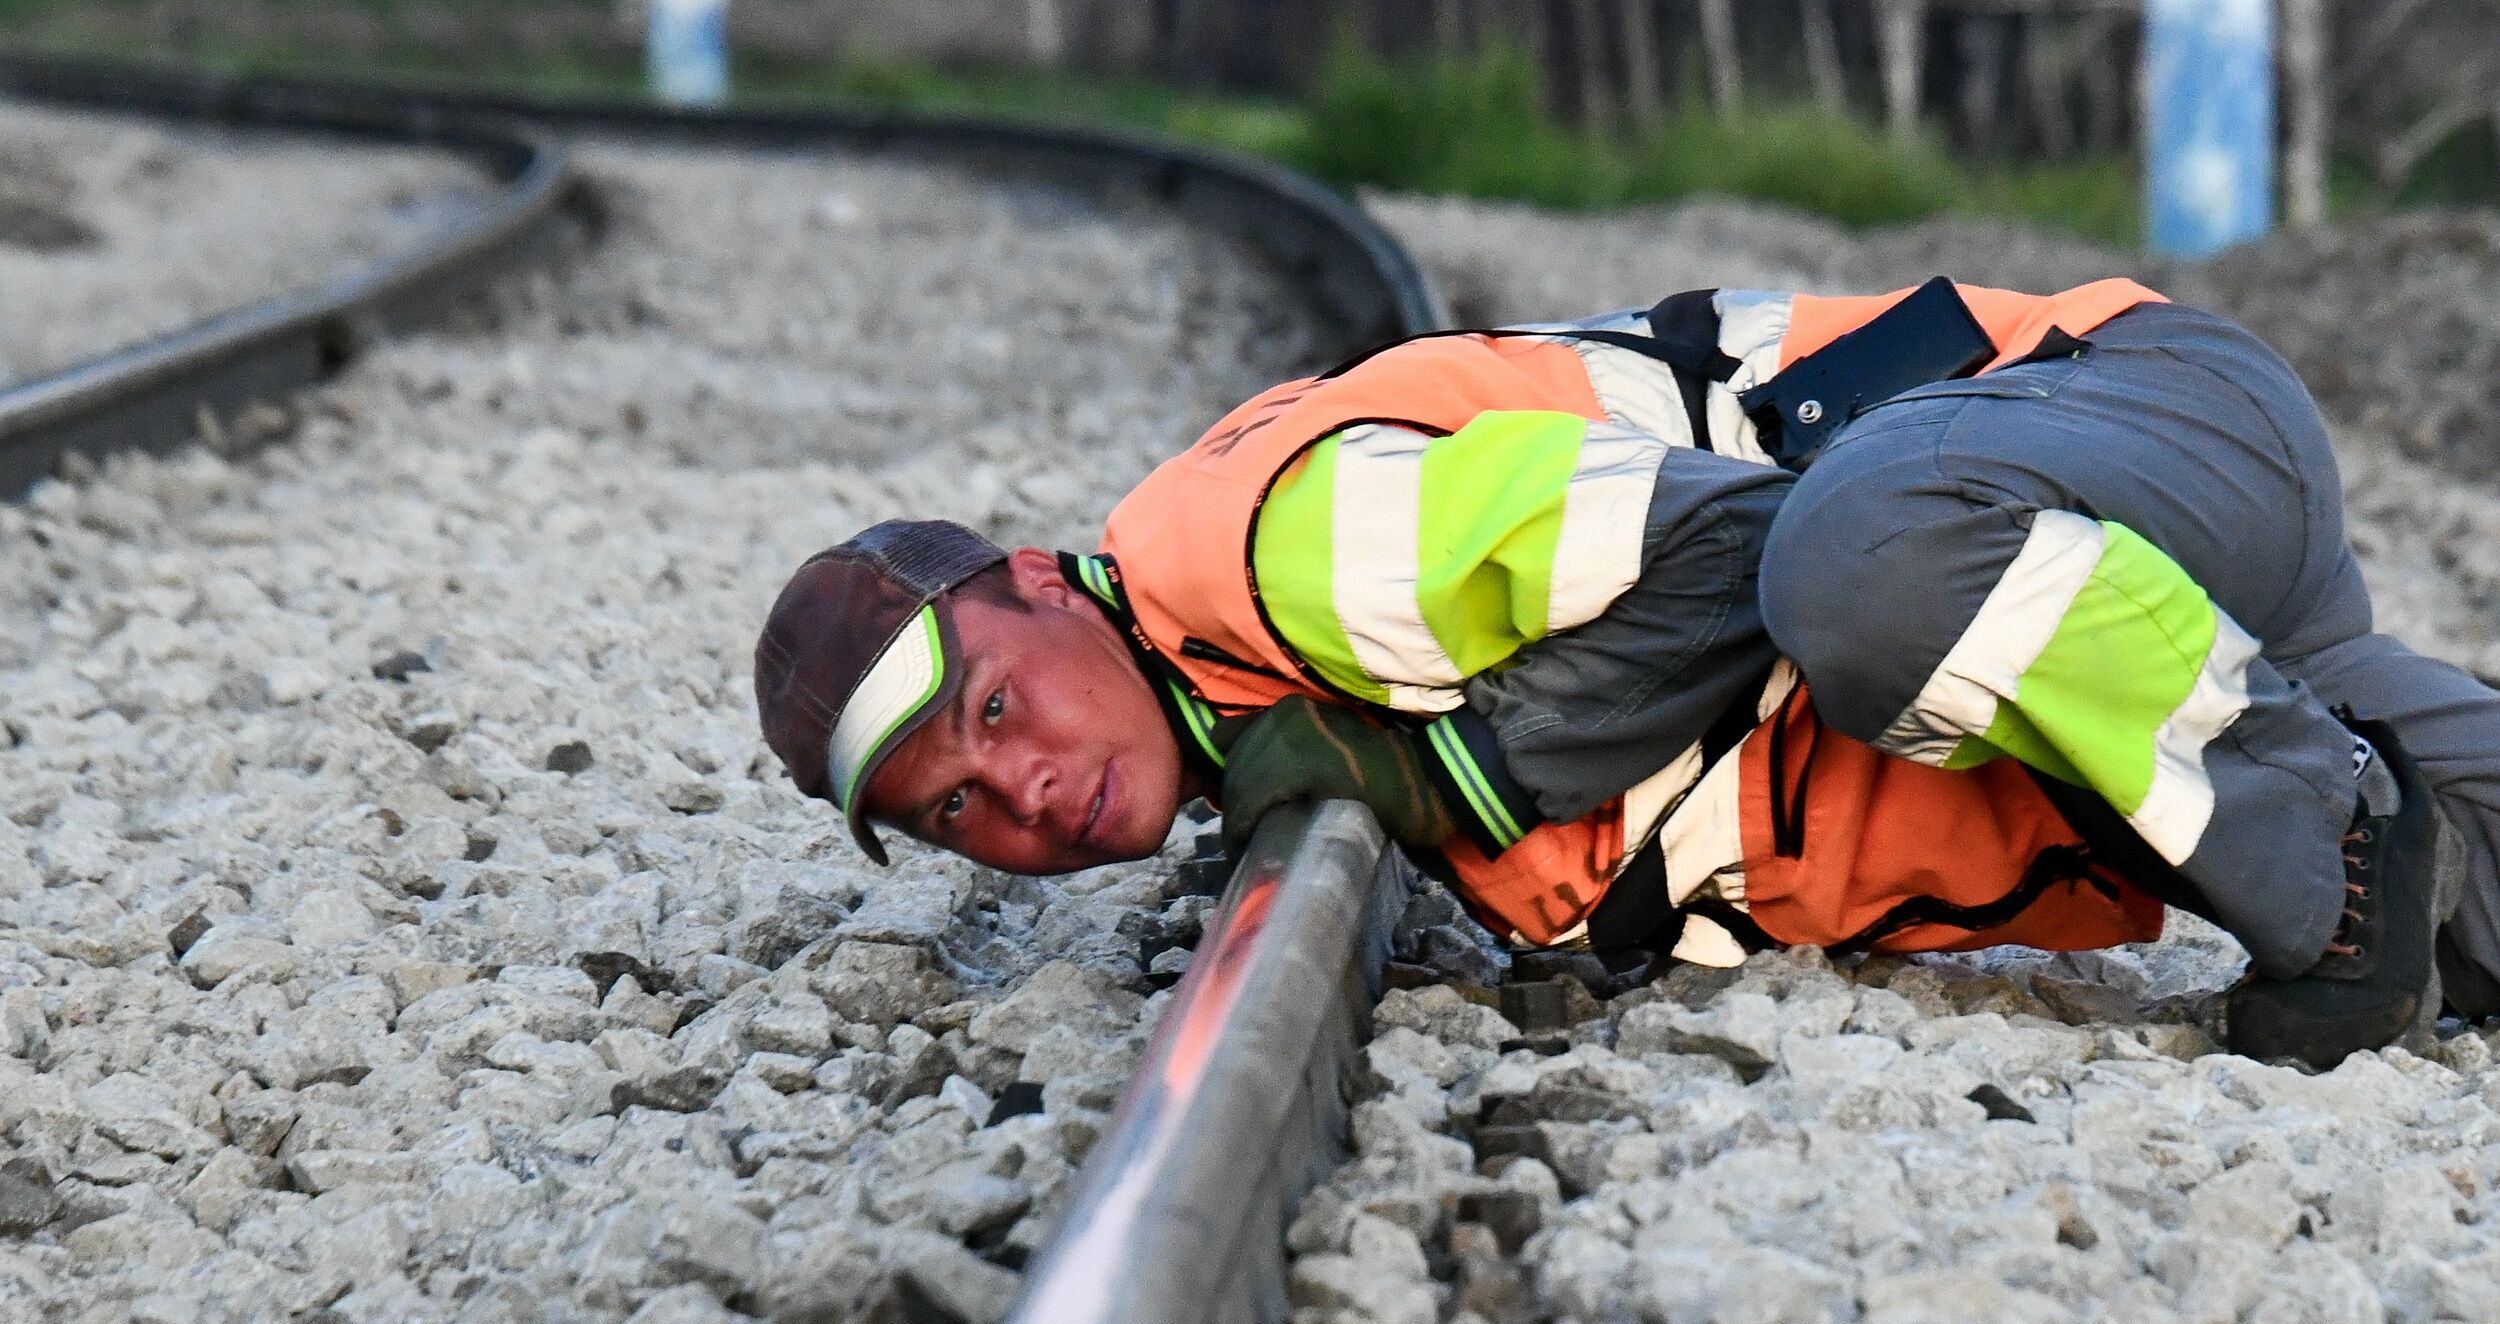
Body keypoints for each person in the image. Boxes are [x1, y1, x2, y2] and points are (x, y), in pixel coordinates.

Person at [753, 278, 2497, 1069]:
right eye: (961, 810)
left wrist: (1465, 779)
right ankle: (2385, 822)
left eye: (995, 710)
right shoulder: (1244, 714)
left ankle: (2337, 852)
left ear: (1050, 583)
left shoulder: (1258, 549)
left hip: (2107, 429)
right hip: (2132, 632)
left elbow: (1749, 542)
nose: (1025, 790)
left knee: (1857, 560)